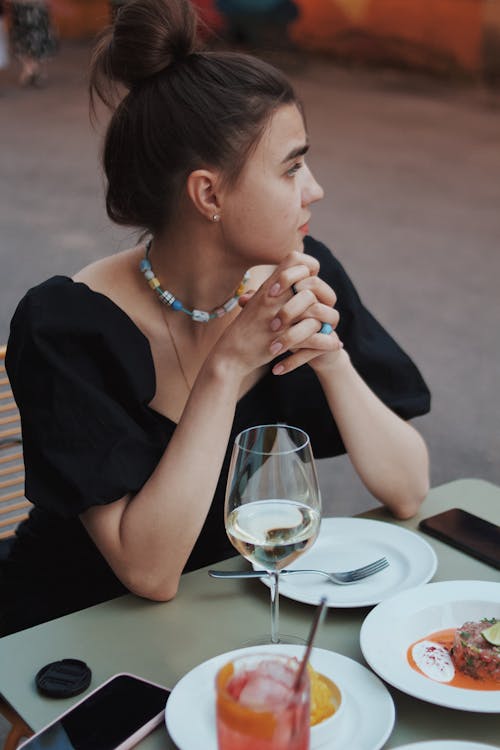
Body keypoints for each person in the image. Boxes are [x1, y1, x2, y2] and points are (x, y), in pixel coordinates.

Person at [1, 0, 430, 636]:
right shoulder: (65, 327)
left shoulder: (302, 273)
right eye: (291, 167)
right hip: (75, 637)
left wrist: (331, 356)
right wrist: (227, 365)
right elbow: (149, 572)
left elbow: (410, 490)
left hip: (231, 616)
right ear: (209, 194)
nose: (314, 189)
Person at [8, 0, 57, 87]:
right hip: (24, 13)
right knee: (26, 42)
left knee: (35, 41)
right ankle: (31, 69)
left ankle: (31, 69)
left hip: (35, 13)